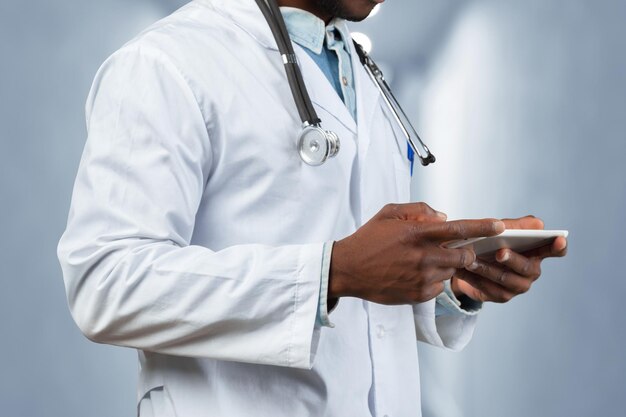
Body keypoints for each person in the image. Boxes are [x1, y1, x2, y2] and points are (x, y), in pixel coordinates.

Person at [57, 0, 567, 415]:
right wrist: (331, 272)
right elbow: (105, 282)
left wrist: (453, 281)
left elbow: (364, 302)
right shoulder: (167, 62)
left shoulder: (363, 73)